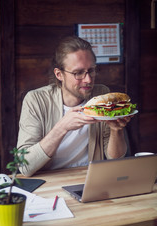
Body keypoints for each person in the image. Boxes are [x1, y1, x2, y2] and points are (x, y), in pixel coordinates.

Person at [17, 36, 131, 177]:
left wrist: (116, 131)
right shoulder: (36, 100)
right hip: (50, 181)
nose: (88, 79)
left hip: (91, 179)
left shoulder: (102, 94)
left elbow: (115, 159)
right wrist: (62, 127)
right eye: (78, 73)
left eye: (91, 70)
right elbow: (24, 166)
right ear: (59, 74)